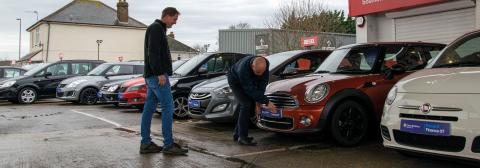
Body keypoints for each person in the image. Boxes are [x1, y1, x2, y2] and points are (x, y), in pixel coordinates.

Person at [140, 7, 188, 155]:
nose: (175, 23)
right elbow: (153, 53)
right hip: (157, 76)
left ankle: (146, 143)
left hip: (151, 76)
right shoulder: (156, 29)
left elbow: (153, 53)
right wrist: (160, 73)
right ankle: (168, 145)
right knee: (168, 107)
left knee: (149, 109)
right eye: (174, 19)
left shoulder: (157, 29)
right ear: (167, 16)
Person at [228, 56, 277, 146]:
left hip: (249, 82)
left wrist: (258, 104)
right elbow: (250, 90)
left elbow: (262, 86)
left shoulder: (265, 65)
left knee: (248, 105)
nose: (259, 75)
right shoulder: (243, 69)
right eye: (257, 72)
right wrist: (267, 102)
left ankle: (237, 134)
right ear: (252, 66)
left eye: (261, 72)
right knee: (246, 104)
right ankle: (242, 137)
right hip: (236, 81)